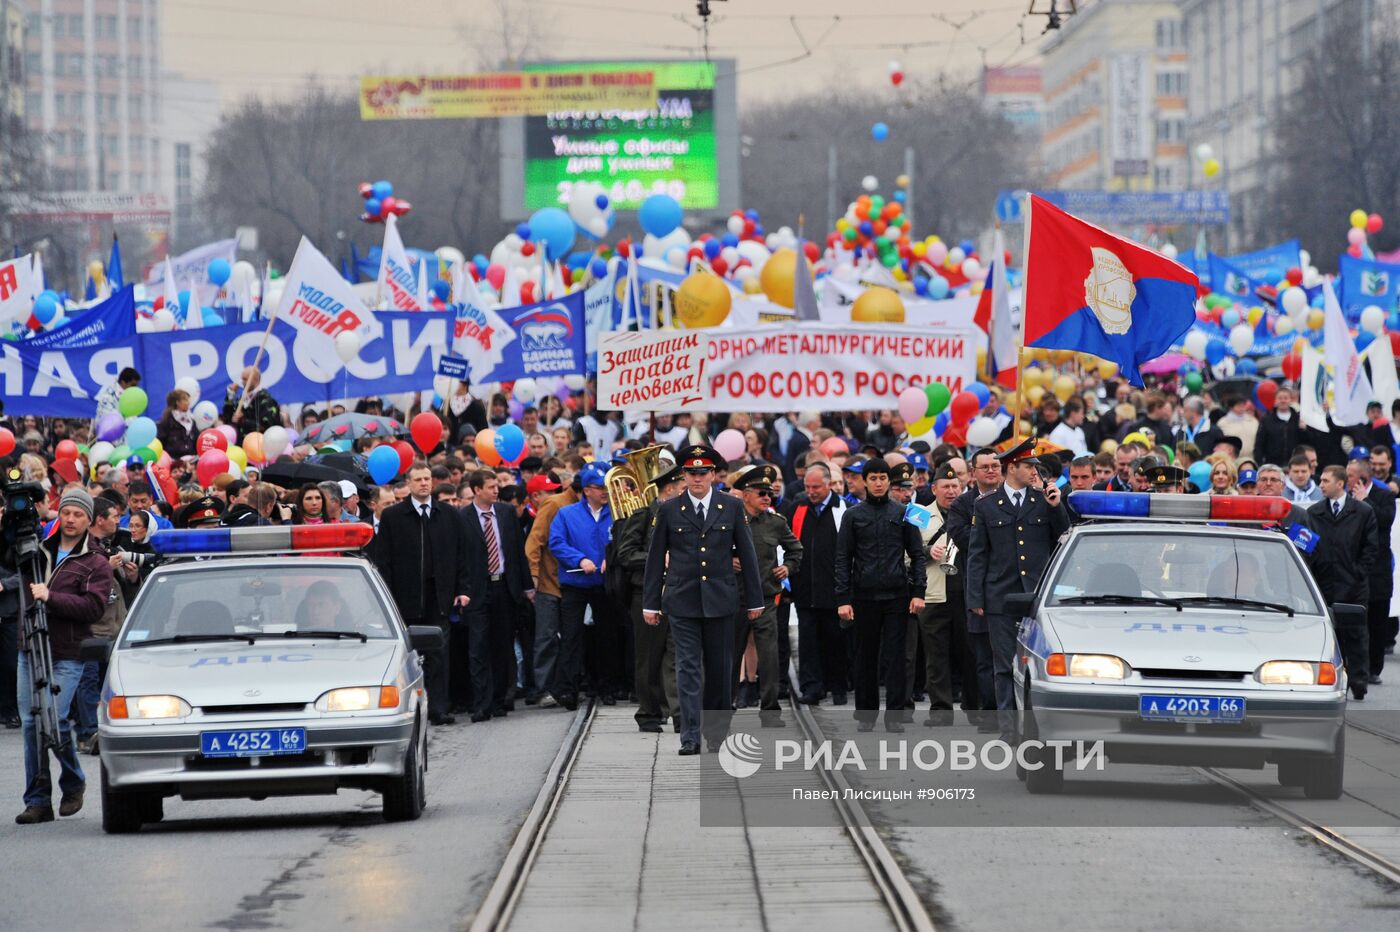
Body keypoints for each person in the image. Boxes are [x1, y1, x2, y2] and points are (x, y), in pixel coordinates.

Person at [643, 444, 764, 755]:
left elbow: (748, 557)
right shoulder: (669, 509)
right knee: (687, 667)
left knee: (720, 669)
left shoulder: (731, 507)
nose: (697, 478)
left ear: (713, 474)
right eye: (691, 473)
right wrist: (650, 602)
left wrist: (755, 600)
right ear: (683, 475)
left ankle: (716, 733)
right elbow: (655, 559)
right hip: (682, 599)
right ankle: (690, 734)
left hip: (721, 600)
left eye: (703, 472)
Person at [15, 487, 114, 825]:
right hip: (31, 647)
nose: (70, 519)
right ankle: (38, 800)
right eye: (66, 512)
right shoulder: (36, 549)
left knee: (54, 721)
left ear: (89, 520)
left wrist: (50, 597)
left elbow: (94, 608)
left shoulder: (96, 562)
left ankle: (73, 782)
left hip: (69, 653)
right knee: (31, 724)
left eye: (78, 515)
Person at [966, 438, 1070, 740]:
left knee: (1035, 666)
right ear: (1013, 468)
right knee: (1004, 665)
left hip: (1036, 597)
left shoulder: (1043, 500)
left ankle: (1033, 727)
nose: (1034, 472)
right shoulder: (985, 505)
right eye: (1029, 466)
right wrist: (976, 598)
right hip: (1000, 595)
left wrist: (1056, 507)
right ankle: (1009, 729)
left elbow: (1062, 539)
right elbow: (978, 554)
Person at [368, 463, 477, 726]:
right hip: (405, 597)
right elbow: (384, 560)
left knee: (439, 653)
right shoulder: (395, 516)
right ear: (409, 483)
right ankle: (409, 710)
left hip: (439, 595)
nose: (424, 484)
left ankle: (439, 707)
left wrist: (463, 590)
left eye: (427, 479)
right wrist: (387, 597)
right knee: (408, 656)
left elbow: (461, 556)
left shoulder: (449, 514)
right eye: (418, 480)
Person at [833, 458, 926, 732]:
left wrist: (918, 592)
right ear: (864, 481)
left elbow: (917, 555)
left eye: (882, 478)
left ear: (889, 482)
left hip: (897, 595)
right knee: (865, 657)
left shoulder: (903, 513)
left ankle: (895, 715)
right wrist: (843, 599)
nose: (877, 483)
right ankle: (865, 715)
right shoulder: (853, 515)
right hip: (863, 596)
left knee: (896, 659)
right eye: (872, 478)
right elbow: (842, 558)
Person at [729, 465, 802, 728]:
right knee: (730, 656)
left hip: (767, 598)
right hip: (734, 600)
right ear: (745, 494)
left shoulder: (776, 522)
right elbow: (710, 551)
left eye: (769, 493)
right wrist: (728, 560)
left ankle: (770, 710)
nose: (766, 498)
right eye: (761, 492)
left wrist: (788, 567)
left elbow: (796, 549)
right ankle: (725, 708)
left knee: (770, 657)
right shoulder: (729, 520)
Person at [614, 462, 684, 733]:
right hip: (648, 595)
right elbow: (626, 553)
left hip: (678, 594)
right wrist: (658, 559)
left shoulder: (684, 516)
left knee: (677, 657)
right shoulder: (644, 516)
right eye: (681, 488)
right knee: (648, 658)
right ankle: (649, 713)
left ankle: (680, 714)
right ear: (669, 489)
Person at [461, 469, 533, 722]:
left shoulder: (505, 513)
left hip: (505, 586)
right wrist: (463, 589)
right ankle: (481, 703)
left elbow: (516, 552)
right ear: (476, 490)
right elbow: (460, 559)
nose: (496, 490)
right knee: (479, 647)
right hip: (478, 591)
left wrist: (526, 586)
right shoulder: (463, 518)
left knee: (503, 646)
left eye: (496, 486)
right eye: (490, 487)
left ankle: (500, 699)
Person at [1304, 464, 1378, 701]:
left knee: (1355, 634)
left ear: (1340, 483)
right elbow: (1304, 546)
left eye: (1325, 481)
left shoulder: (1363, 511)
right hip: (1323, 584)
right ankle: (1330, 679)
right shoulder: (1313, 513)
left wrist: (1358, 573)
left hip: (1353, 585)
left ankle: (1358, 680)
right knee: (1326, 635)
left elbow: (1371, 548)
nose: (1321, 485)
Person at [549, 463, 619, 709]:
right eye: (599, 488)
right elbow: (556, 543)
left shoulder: (616, 513)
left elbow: (623, 542)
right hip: (576, 584)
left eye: (606, 488)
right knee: (572, 637)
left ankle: (607, 686)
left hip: (604, 585)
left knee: (607, 637)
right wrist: (580, 559)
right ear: (587, 490)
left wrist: (609, 559)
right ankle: (568, 688)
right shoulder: (567, 514)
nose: (604, 492)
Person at [782, 463, 850, 706]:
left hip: (835, 590)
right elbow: (785, 544)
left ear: (829, 484)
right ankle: (812, 686)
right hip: (805, 589)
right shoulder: (797, 508)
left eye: (816, 487)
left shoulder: (844, 509)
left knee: (836, 639)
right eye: (807, 487)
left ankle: (838, 686)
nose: (811, 492)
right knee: (808, 640)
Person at [909, 464, 966, 724]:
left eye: (955, 486)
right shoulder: (919, 515)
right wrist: (925, 552)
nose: (951, 491)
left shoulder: (971, 510)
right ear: (934, 489)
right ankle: (941, 709)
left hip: (965, 592)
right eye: (946, 486)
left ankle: (975, 707)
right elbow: (904, 556)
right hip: (934, 593)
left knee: (969, 653)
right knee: (936, 655)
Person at [525, 471, 580, 709]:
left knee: (570, 638)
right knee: (546, 637)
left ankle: (564, 686)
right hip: (549, 583)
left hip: (572, 583)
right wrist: (534, 576)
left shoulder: (583, 507)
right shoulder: (554, 503)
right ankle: (543, 688)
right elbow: (534, 542)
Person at [1347, 457, 1395, 686]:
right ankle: (1356, 666)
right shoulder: (1346, 497)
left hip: (1379, 571)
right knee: (1356, 621)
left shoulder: (1385, 497)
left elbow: (1386, 521)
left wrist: (1366, 501)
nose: (1346, 480)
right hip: (1354, 570)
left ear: (1362, 478)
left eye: (1350, 476)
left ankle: (1374, 668)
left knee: (1377, 621)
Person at [222, 367, 282, 434]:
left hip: (257, 442)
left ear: (256, 380)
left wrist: (243, 420)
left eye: (245, 379)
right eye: (242, 379)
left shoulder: (266, 400)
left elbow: (267, 428)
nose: (242, 382)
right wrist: (230, 396)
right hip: (240, 442)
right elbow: (228, 419)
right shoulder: (242, 399)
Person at [1256, 387, 1301, 469]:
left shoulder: (1297, 418)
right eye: (1280, 398)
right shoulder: (1266, 420)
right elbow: (1259, 443)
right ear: (1275, 400)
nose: (1283, 401)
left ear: (1290, 400)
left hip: (1294, 464)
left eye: (1286, 398)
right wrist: (1259, 463)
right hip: (1273, 464)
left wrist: (1303, 429)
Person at [155, 389, 197, 460]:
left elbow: (196, 441)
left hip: (191, 461)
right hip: (174, 461)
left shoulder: (192, 421)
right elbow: (160, 443)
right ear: (177, 402)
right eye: (185, 400)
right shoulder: (166, 422)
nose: (188, 403)